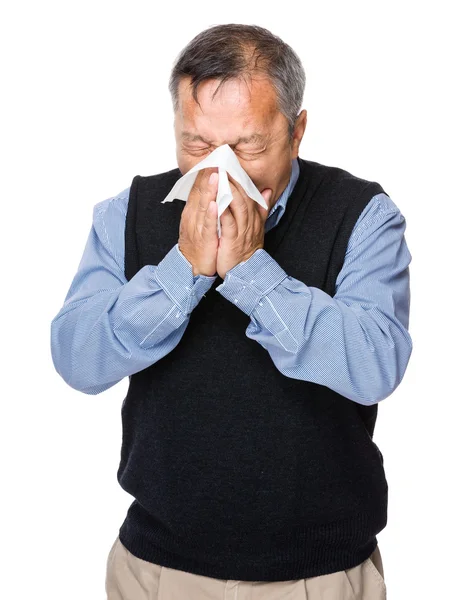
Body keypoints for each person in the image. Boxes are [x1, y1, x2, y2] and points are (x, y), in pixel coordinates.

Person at [50, 23, 412, 599]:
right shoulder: (127, 212)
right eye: (197, 143)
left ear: (297, 132)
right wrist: (182, 272)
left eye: (247, 146)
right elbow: (77, 358)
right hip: (157, 568)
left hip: (316, 575)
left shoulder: (363, 215)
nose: (219, 170)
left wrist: (250, 273)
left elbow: (375, 365)